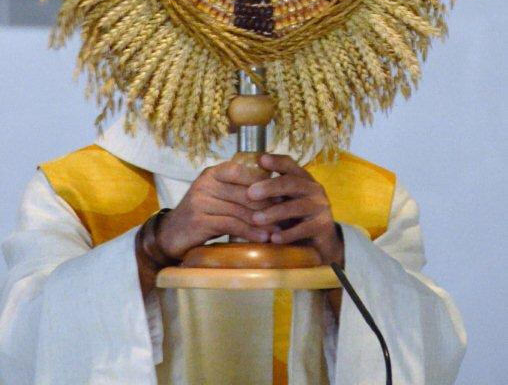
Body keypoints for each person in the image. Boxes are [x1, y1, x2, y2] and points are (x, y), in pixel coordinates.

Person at [0, 118, 466, 385]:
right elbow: (21, 352)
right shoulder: (74, 191)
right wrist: (150, 246)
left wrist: (342, 254)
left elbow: (434, 359)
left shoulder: (371, 196)